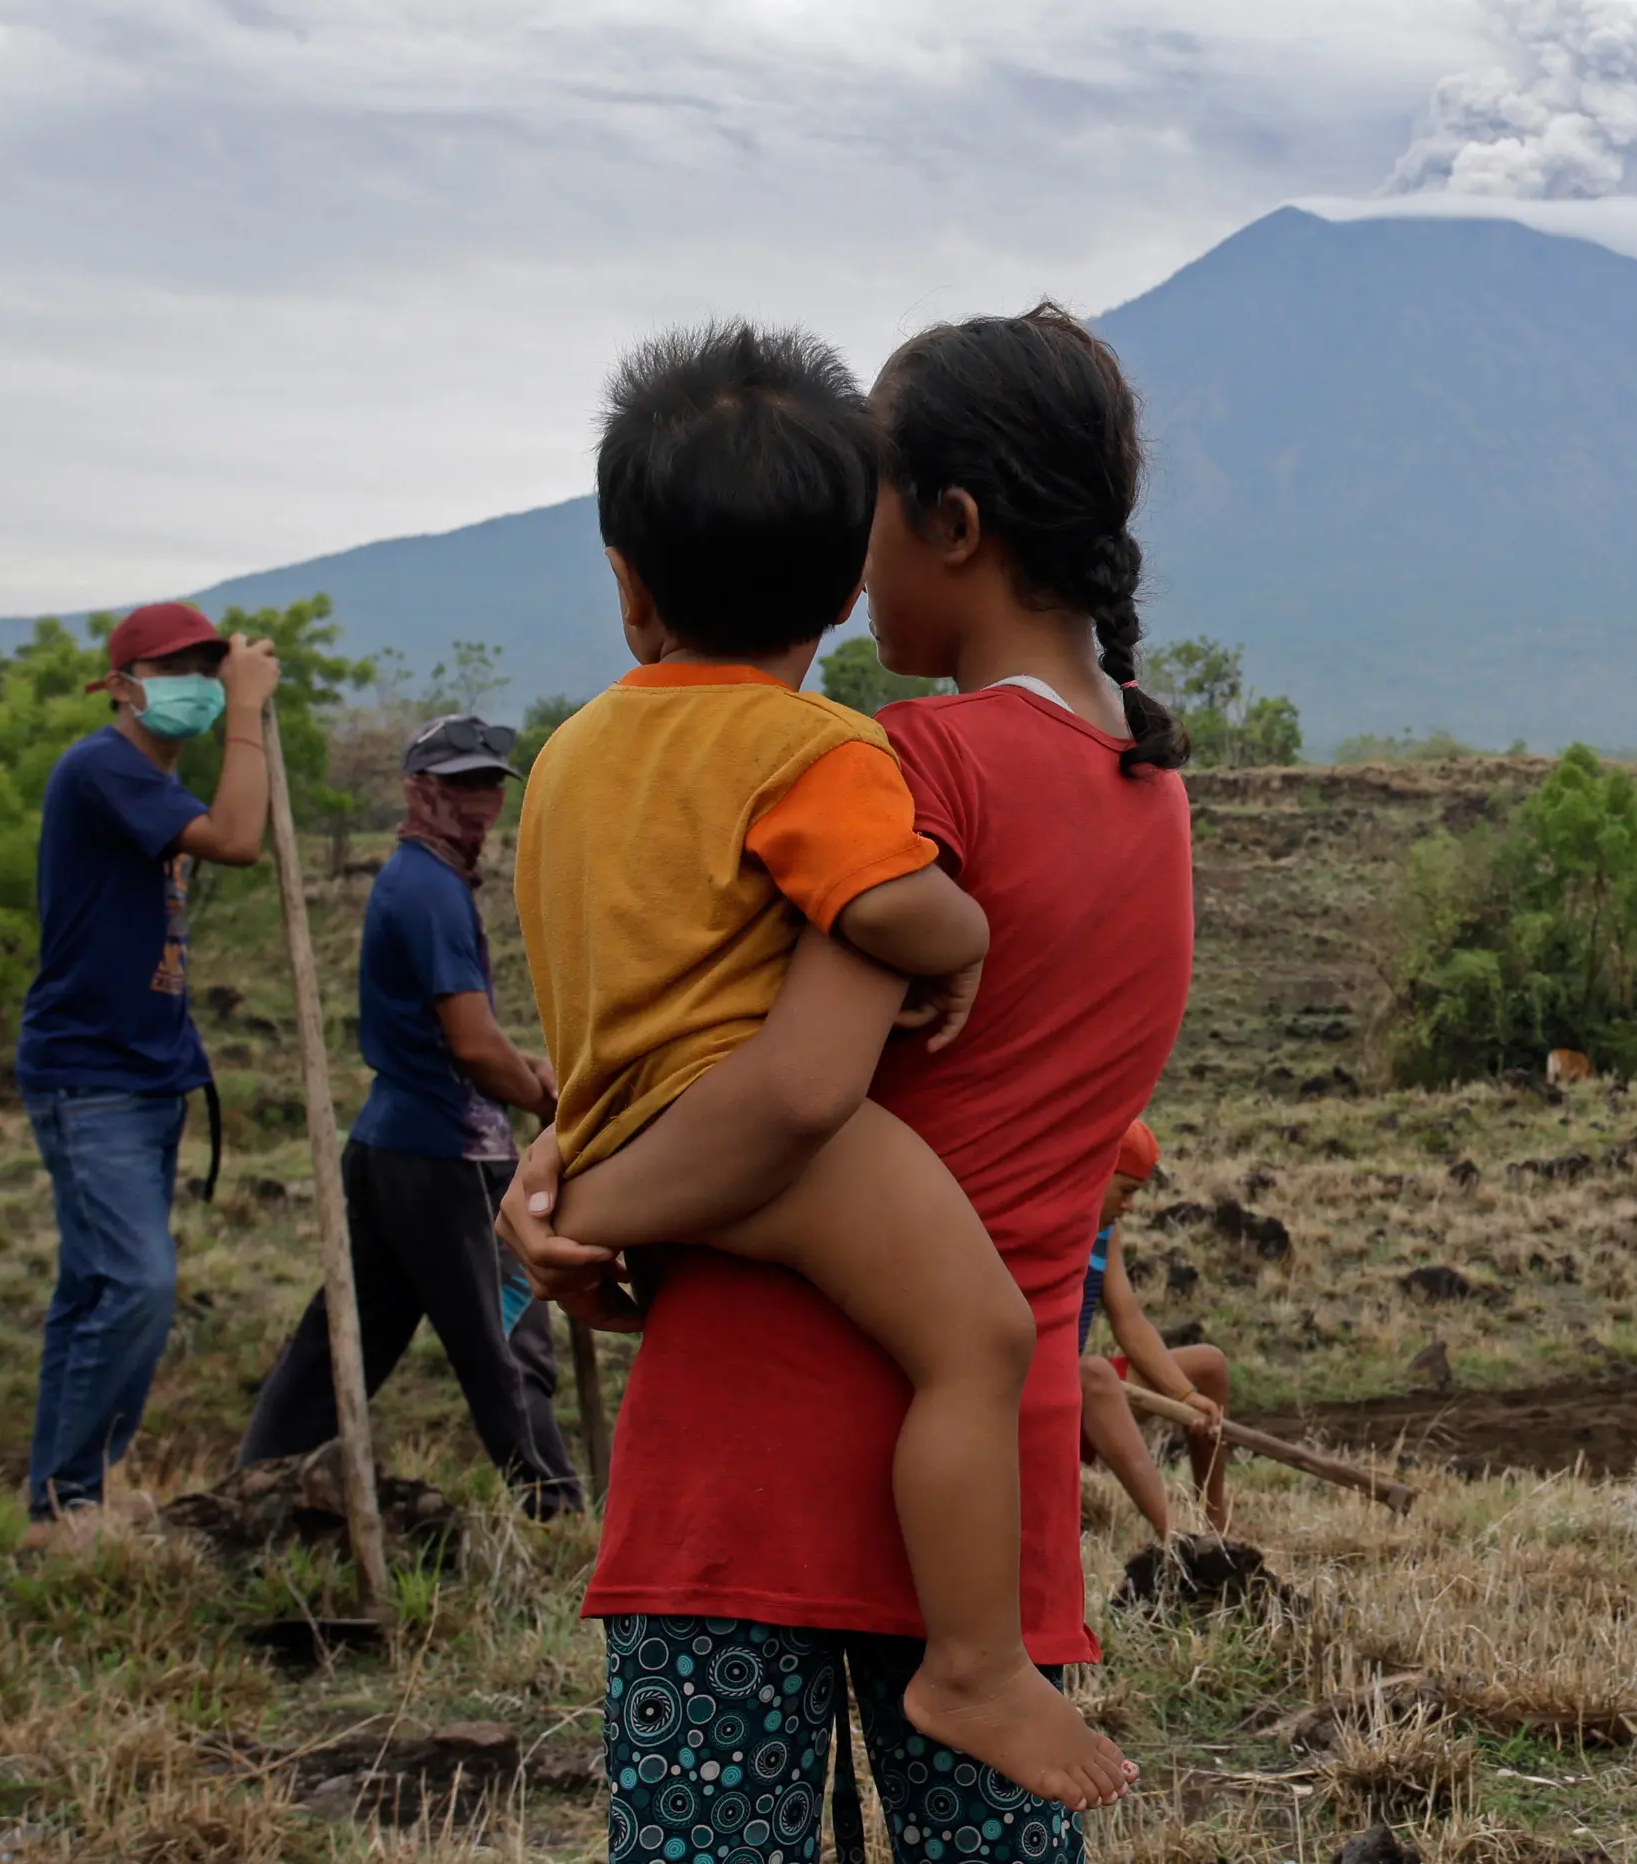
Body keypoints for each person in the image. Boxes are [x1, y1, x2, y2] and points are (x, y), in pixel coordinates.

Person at [499, 303, 1196, 1864]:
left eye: (859, 494)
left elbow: (784, 1084)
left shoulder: (903, 765)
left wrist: (560, 1206)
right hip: (984, 1517)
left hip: (753, 1470)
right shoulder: (1153, 794)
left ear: (950, 524)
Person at [236, 714, 580, 1512]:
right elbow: (469, 1045)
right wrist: (540, 1093)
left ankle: (262, 1479)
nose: (478, 801)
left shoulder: (425, 881)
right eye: (458, 783)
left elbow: (469, 1036)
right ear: (417, 791)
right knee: (504, 1334)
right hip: (443, 1155)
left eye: (490, 783)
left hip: (395, 1145)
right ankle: (553, 1506)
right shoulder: (427, 890)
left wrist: (523, 1063)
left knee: (347, 1336)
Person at [16, 600, 279, 1552]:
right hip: (92, 1076)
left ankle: (67, 1499)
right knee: (135, 1286)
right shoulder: (103, 767)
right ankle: (66, 1501)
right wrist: (246, 711)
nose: (200, 686)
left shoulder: (144, 781)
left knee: (93, 1290)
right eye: (178, 669)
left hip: (148, 1073)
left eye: (211, 668)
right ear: (123, 687)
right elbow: (238, 837)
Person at [1078, 1120, 1234, 1539]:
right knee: (1095, 1374)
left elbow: (1128, 1319)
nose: (1129, 1204)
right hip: (1030, 1397)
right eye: (1125, 1189)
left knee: (1208, 1365)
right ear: (1094, 1173)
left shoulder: (1105, 1231)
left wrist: (1187, 1396)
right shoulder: (1049, 1220)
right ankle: (1177, 1537)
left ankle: (1213, 1526)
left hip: (1078, 1392)